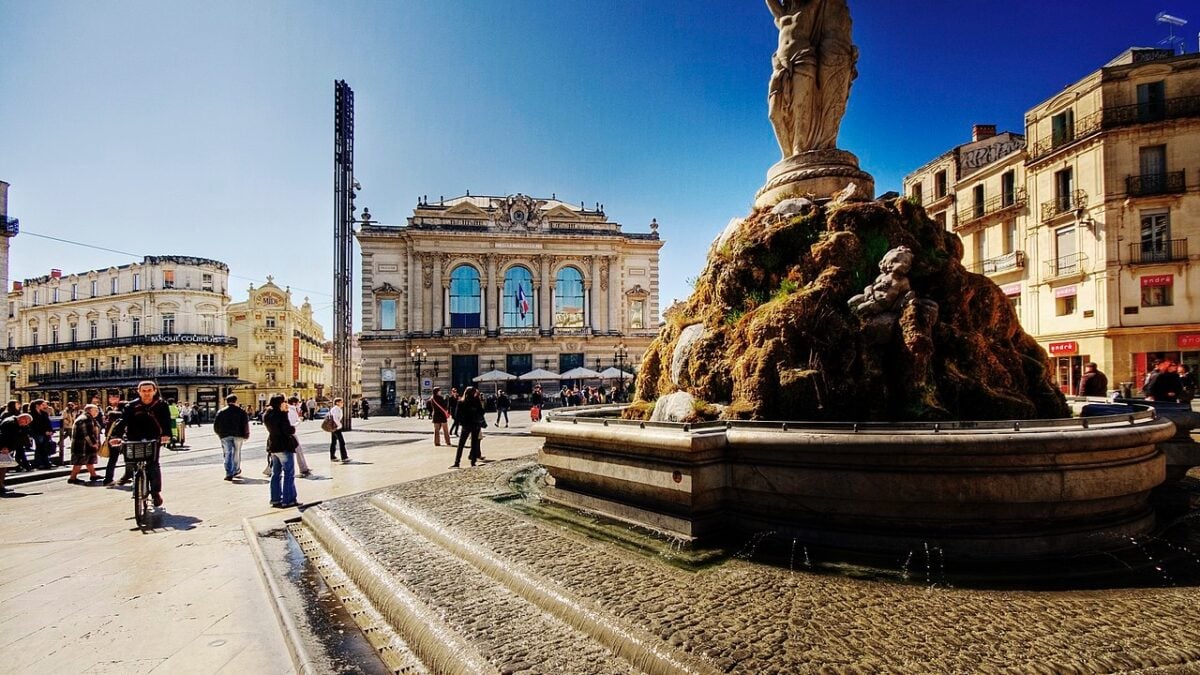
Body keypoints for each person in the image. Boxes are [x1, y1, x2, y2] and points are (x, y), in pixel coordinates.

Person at [766, 0, 858, 157]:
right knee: (774, 112)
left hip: (803, 59)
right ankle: (787, 154)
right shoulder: (782, 14)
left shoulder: (810, 7)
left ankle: (799, 150)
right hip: (782, 64)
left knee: (802, 107)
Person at [109, 381, 173, 508]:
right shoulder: (131, 406)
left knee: (153, 465)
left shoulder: (161, 405)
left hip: (153, 438)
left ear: (154, 391)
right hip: (134, 437)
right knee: (132, 462)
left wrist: (166, 435)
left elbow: (166, 421)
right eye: (143, 391)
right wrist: (116, 436)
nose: (146, 393)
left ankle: (155, 493)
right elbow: (122, 422)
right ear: (138, 392)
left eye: (149, 390)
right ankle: (133, 479)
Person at [263, 395, 298, 508]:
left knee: (276, 474)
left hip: (273, 446)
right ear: (281, 403)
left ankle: (275, 499)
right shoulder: (281, 414)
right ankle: (289, 500)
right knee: (289, 473)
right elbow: (288, 430)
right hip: (284, 446)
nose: (286, 403)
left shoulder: (267, 414)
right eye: (285, 401)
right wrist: (292, 425)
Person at [214, 394, 251, 481]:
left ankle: (229, 473)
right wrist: (246, 434)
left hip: (225, 435)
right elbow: (245, 424)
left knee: (228, 453)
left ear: (226, 401)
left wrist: (220, 434)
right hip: (238, 435)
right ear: (236, 401)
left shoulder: (221, 412)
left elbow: (216, 425)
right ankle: (236, 470)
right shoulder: (241, 411)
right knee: (236, 453)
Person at [67, 404, 103, 484]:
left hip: (85, 444)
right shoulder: (85, 419)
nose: (97, 412)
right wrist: (93, 443)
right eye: (95, 410)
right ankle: (72, 478)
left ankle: (93, 475)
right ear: (89, 410)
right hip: (82, 445)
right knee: (79, 461)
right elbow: (87, 433)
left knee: (89, 460)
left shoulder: (89, 418)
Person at [451, 387, 485, 468]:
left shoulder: (461, 402)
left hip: (466, 426)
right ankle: (473, 462)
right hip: (475, 425)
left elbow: (457, 415)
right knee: (474, 444)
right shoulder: (476, 401)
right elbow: (482, 412)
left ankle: (457, 462)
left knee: (461, 445)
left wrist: (463, 422)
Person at [0, 413, 32, 495]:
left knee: (3, 466)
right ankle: (0, 486)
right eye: (26, 422)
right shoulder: (10, 423)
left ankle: (1, 485)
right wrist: (4, 446)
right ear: (23, 418)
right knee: (2, 467)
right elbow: (4, 435)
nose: (25, 424)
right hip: (3, 448)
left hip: (6, 448)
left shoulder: (13, 422)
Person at [102, 400, 126, 486]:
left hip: (111, 439)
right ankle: (126, 476)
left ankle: (108, 479)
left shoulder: (111, 415)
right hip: (120, 439)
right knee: (129, 459)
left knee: (112, 460)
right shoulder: (122, 416)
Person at [287, 396, 312, 477]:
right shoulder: (291, 411)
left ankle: (304, 467)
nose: (299, 405)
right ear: (294, 403)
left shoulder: (292, 410)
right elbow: (292, 424)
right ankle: (303, 468)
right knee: (298, 450)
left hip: (290, 433)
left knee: (297, 451)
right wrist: (299, 421)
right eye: (298, 403)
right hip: (291, 434)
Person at [29, 399, 55, 470]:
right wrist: (44, 432)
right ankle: (39, 463)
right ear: (37, 405)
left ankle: (45, 462)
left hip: (46, 433)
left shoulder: (44, 413)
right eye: (43, 404)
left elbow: (48, 423)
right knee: (39, 447)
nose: (45, 406)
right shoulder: (31, 414)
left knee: (45, 447)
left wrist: (51, 431)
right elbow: (34, 426)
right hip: (38, 433)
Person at [328, 397, 349, 463]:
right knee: (342, 442)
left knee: (333, 442)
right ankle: (344, 457)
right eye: (341, 402)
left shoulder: (336, 409)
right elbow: (335, 418)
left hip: (333, 427)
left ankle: (332, 456)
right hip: (336, 427)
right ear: (337, 402)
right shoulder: (336, 409)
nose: (342, 403)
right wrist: (339, 425)